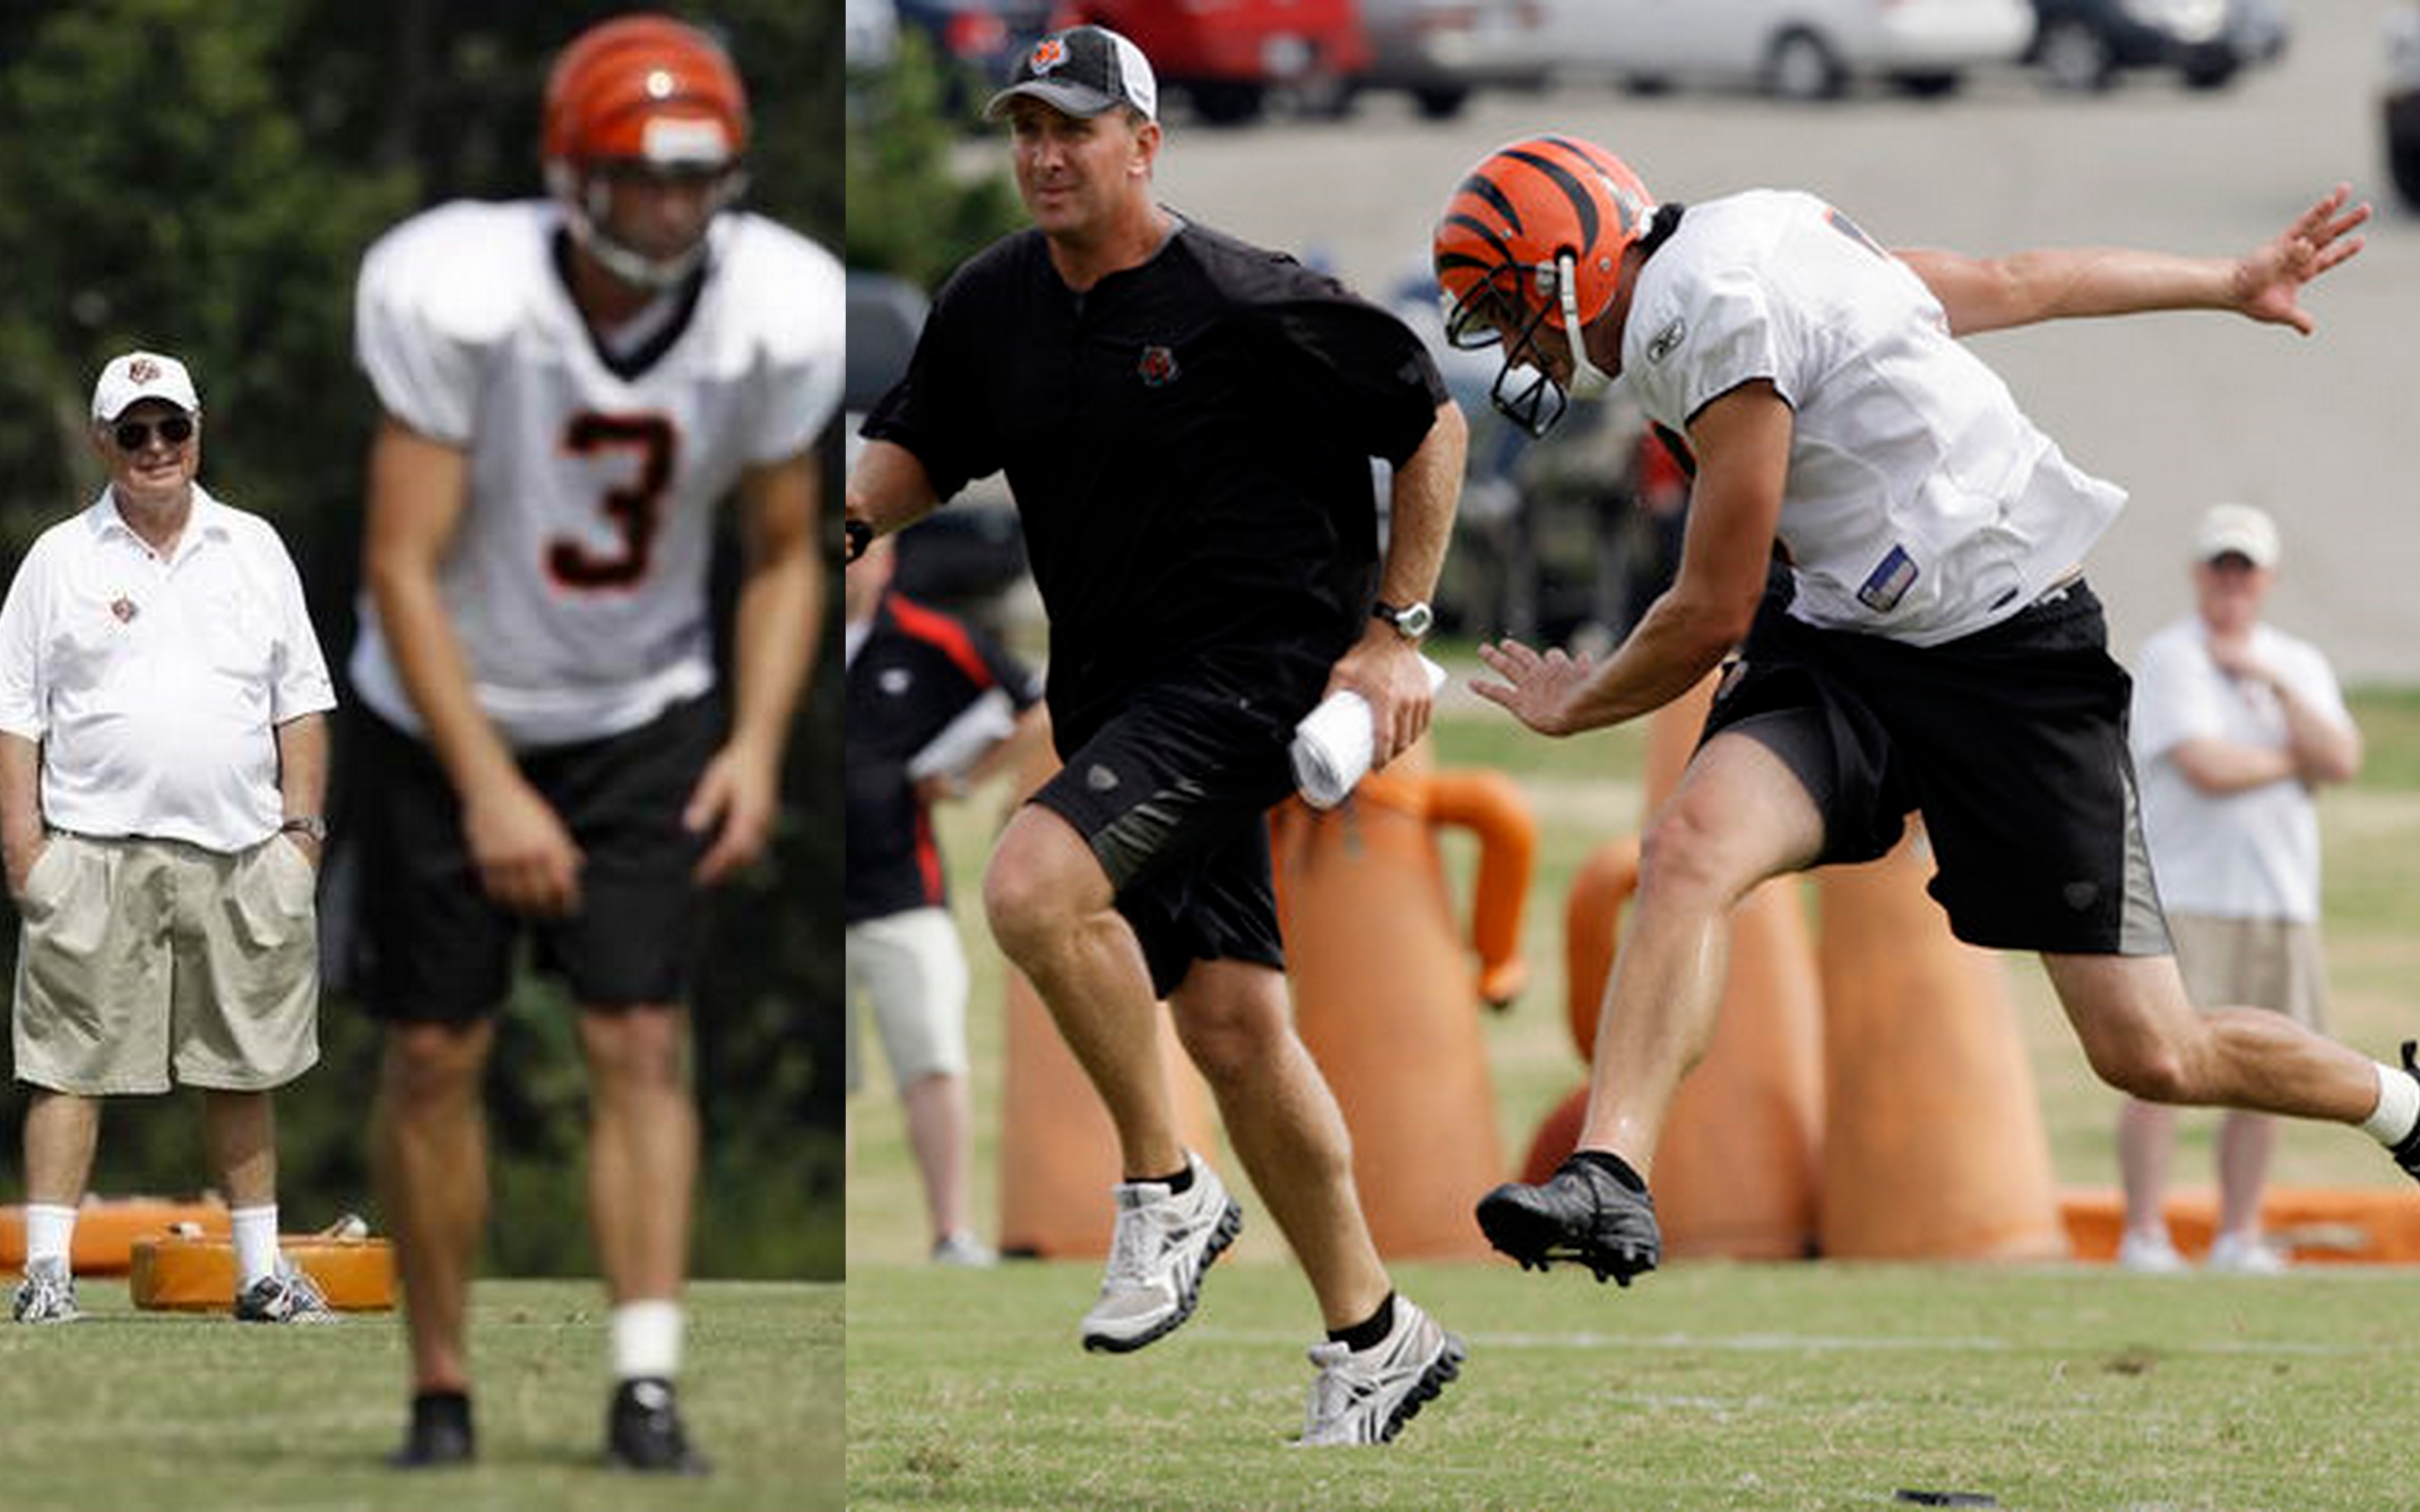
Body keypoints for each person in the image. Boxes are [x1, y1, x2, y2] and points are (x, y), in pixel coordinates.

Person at [1426, 135, 2416, 1287]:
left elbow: (1711, 608)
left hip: (2007, 657)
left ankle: (2401, 1104)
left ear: (1569, 270)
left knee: (2153, 1050)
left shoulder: (1702, 311)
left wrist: (1580, 700)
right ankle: (1612, 1173)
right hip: (1851, 639)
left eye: (1508, 308)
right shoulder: (1759, 237)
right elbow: (2010, 282)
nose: (1512, 343)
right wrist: (2221, 280)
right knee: (1691, 845)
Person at [845, 25, 1470, 1446]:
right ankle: (1377, 1333)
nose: (1045, 155)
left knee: (1028, 889)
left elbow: (1429, 423)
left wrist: (1394, 635)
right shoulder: (994, 300)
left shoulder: (1247, 298)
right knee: (1242, 1029)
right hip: (1117, 699)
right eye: (1026, 130)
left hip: (1250, 677)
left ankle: (1166, 1190)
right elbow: (922, 447)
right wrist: (838, 523)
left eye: (1075, 130)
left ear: (1144, 145)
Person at [348, 14, 841, 1472]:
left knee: (639, 1033)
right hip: (443, 706)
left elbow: (783, 553)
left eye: (698, 180)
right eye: (644, 179)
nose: (675, 210)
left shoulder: (772, 311)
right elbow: (396, 565)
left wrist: (754, 744)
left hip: (642, 708)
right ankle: (441, 1392)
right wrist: (491, 787)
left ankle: (645, 1384)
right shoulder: (464, 296)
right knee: (437, 1052)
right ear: (575, 176)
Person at [2, 351, 335, 1326]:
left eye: (171, 428)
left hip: (242, 851)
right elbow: (15, 716)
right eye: (135, 432)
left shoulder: (256, 546)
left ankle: (261, 1273)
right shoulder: (59, 559)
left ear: (198, 430)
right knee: (67, 1065)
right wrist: (26, 853)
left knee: (244, 1066)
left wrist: (303, 839)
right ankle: (48, 1275)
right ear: (105, 443)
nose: (156, 448)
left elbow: (303, 703)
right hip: (92, 851)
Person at [2116, 502, 2362, 1274]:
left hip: (2280, 896)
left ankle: (2239, 1234)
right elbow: (2206, 766)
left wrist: (2274, 688)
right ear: (2199, 573)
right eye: (2220, 566)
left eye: (2244, 569)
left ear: (2267, 579)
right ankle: (2146, 1233)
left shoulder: (2298, 663)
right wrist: (2296, 760)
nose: (2232, 582)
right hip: (2190, 892)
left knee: (2269, 1074)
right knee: (2161, 1064)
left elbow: (2344, 756)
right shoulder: (2172, 657)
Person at [843, 534, 1045, 1267]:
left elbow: (1034, 708)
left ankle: (951, 1233)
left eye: (859, 549)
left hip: (902, 887)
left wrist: (966, 778)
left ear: (886, 559)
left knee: (932, 1056)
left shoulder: (928, 639)